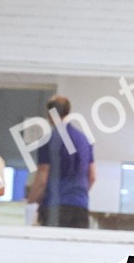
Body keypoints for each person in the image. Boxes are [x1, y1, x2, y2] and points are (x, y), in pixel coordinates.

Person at [26, 95, 95, 228]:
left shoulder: (49, 140)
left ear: (50, 114)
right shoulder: (84, 140)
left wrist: (30, 202)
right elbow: (92, 176)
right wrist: (77, 194)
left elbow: (42, 179)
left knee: (52, 248)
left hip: (54, 208)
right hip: (80, 207)